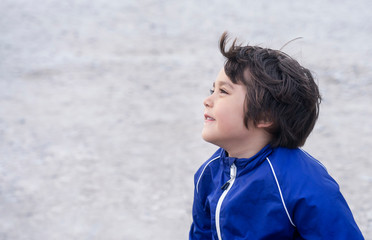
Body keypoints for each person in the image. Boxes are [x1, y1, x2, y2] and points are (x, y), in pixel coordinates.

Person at [189, 32, 364, 240]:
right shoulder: (209, 173)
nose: (207, 100)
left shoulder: (304, 183)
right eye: (212, 89)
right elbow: (202, 234)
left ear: (264, 116)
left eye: (223, 92)